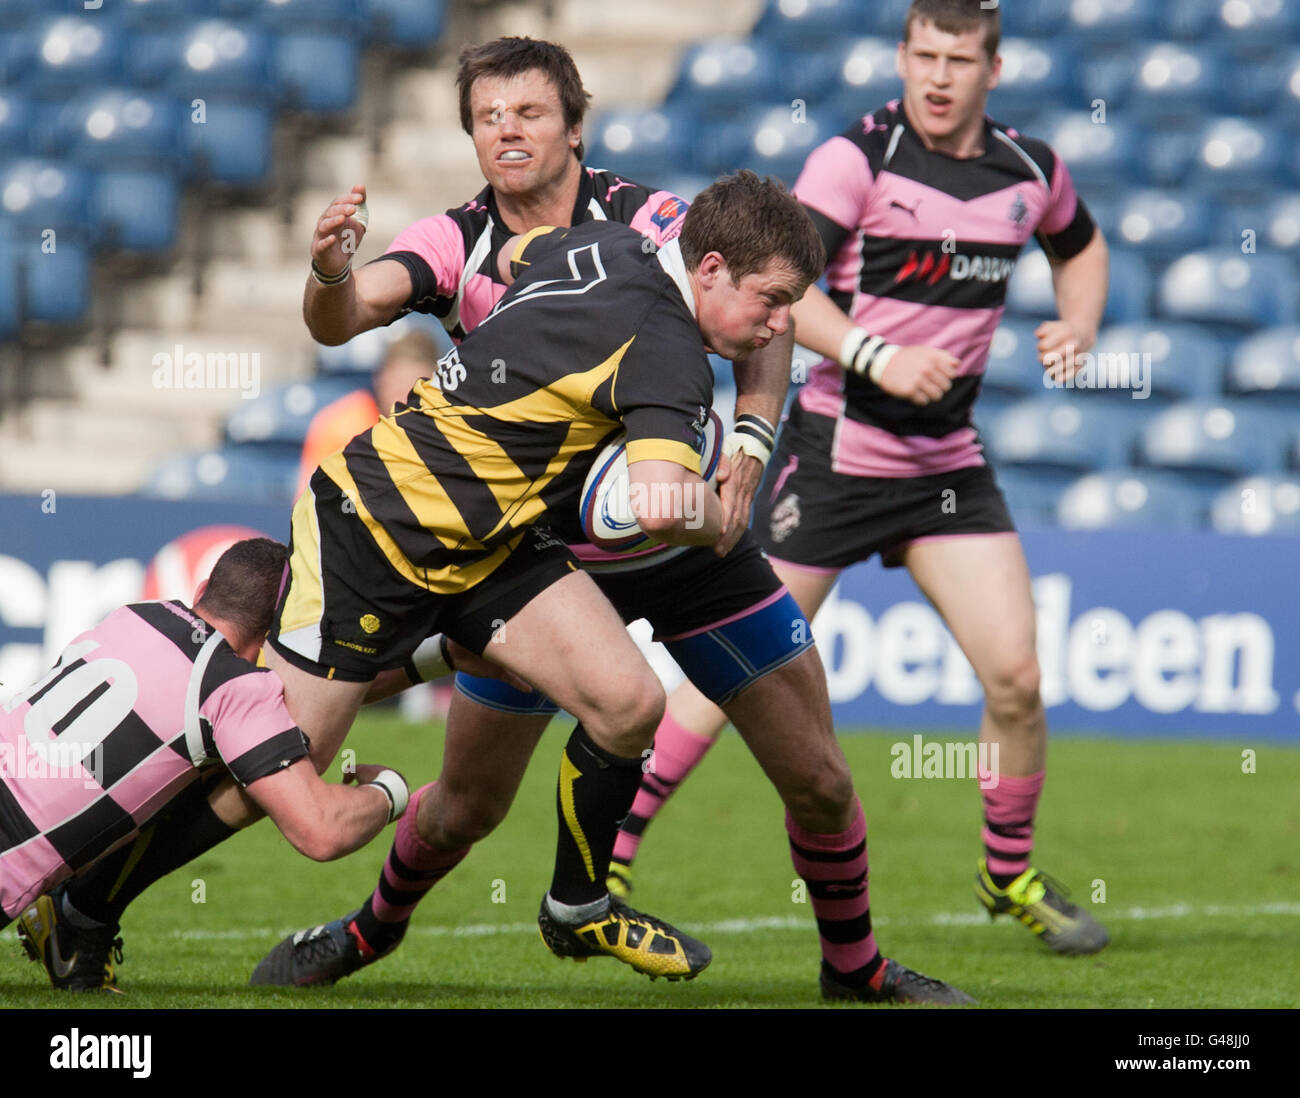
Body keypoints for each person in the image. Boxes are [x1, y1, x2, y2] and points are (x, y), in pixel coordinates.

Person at [249, 38, 972, 1005]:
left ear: (575, 125)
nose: (507, 128)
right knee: (464, 805)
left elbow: (771, 304)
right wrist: (333, 274)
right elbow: (342, 318)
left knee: (823, 780)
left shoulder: (646, 224)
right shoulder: (459, 241)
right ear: (470, 135)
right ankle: (368, 933)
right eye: (488, 115)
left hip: (689, 553)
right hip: (541, 558)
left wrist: (750, 454)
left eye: (529, 111)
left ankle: (856, 972)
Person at [611, 0, 1112, 957]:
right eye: (923, 54)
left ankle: (1007, 875)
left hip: (945, 467)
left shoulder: (1031, 171)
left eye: (957, 60)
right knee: (729, 669)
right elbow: (786, 288)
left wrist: (1078, 326)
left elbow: (1080, 246)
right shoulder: (858, 159)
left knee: (1016, 675)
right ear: (903, 55)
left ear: (991, 71)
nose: (936, 76)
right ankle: (618, 852)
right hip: (835, 457)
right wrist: (877, 351)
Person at [3, 539, 409, 991]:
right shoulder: (231, 690)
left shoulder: (133, 616)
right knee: (243, 772)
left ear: (200, 592)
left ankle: (79, 919)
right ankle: (77, 917)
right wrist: (390, 791)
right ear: (278, 631)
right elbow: (322, 830)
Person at [296, 330, 441, 497]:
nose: (403, 399)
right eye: (397, 385)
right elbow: (311, 501)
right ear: (380, 380)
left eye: (413, 389)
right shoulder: (344, 426)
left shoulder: (445, 430)